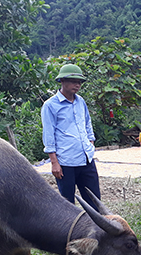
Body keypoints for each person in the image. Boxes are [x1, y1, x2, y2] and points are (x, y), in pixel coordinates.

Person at [41, 63, 101, 210]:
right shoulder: (50, 105)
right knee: (68, 204)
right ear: (62, 81)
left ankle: (98, 231)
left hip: (86, 158)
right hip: (65, 162)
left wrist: (90, 142)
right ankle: (72, 232)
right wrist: (54, 162)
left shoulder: (81, 102)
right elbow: (49, 134)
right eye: (73, 81)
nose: (77, 85)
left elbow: (87, 124)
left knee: (94, 201)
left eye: (79, 82)